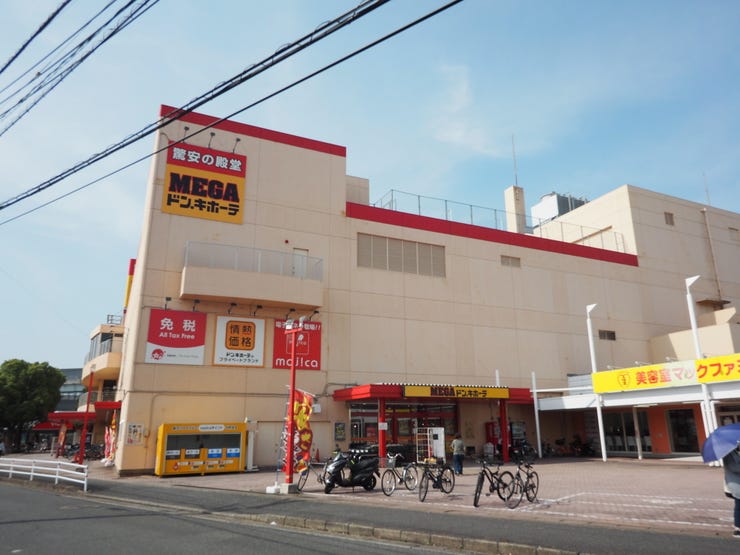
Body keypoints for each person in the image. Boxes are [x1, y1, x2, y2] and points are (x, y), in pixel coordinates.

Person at [723, 443, 740, 539]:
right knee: (739, 506)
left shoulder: (734, 451)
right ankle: (738, 529)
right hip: (735, 484)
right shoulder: (728, 453)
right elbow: (735, 467)